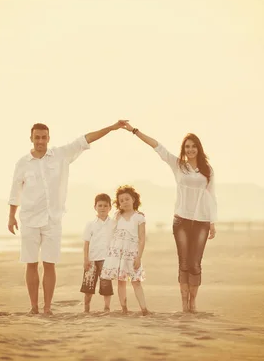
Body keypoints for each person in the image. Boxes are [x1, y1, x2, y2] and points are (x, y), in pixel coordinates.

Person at [8, 120, 127, 315]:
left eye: (43, 137)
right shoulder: (22, 163)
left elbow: (86, 139)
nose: (40, 141)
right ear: (31, 138)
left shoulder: (60, 155)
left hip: (53, 220)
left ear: (48, 138)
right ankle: (33, 307)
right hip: (29, 219)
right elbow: (15, 191)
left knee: (49, 263)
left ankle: (47, 307)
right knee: (30, 263)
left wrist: (111, 127)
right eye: (36, 137)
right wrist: (11, 216)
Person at [122, 122, 217, 313]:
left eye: (193, 146)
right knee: (183, 262)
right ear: (184, 150)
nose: (190, 150)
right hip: (181, 220)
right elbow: (157, 147)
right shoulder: (178, 166)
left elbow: (212, 196)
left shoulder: (207, 170)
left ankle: (193, 303)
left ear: (199, 148)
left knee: (195, 263)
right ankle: (184, 304)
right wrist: (134, 131)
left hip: (201, 222)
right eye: (187, 147)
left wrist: (212, 222)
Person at [100, 185, 149, 316]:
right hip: (118, 254)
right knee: (121, 282)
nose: (124, 202)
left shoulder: (139, 217)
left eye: (127, 199)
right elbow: (110, 234)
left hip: (132, 254)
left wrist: (138, 257)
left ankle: (144, 309)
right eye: (121, 201)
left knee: (136, 281)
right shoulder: (117, 216)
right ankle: (124, 309)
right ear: (119, 204)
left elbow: (142, 238)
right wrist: (109, 253)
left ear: (133, 199)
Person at [79, 193, 116, 313]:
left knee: (106, 285)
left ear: (110, 207)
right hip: (92, 259)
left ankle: (106, 307)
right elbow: (86, 243)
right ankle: (86, 308)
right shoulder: (90, 224)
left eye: (105, 206)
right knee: (88, 286)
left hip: (107, 259)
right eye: (100, 205)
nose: (102, 208)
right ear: (95, 207)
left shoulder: (113, 223)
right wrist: (86, 259)